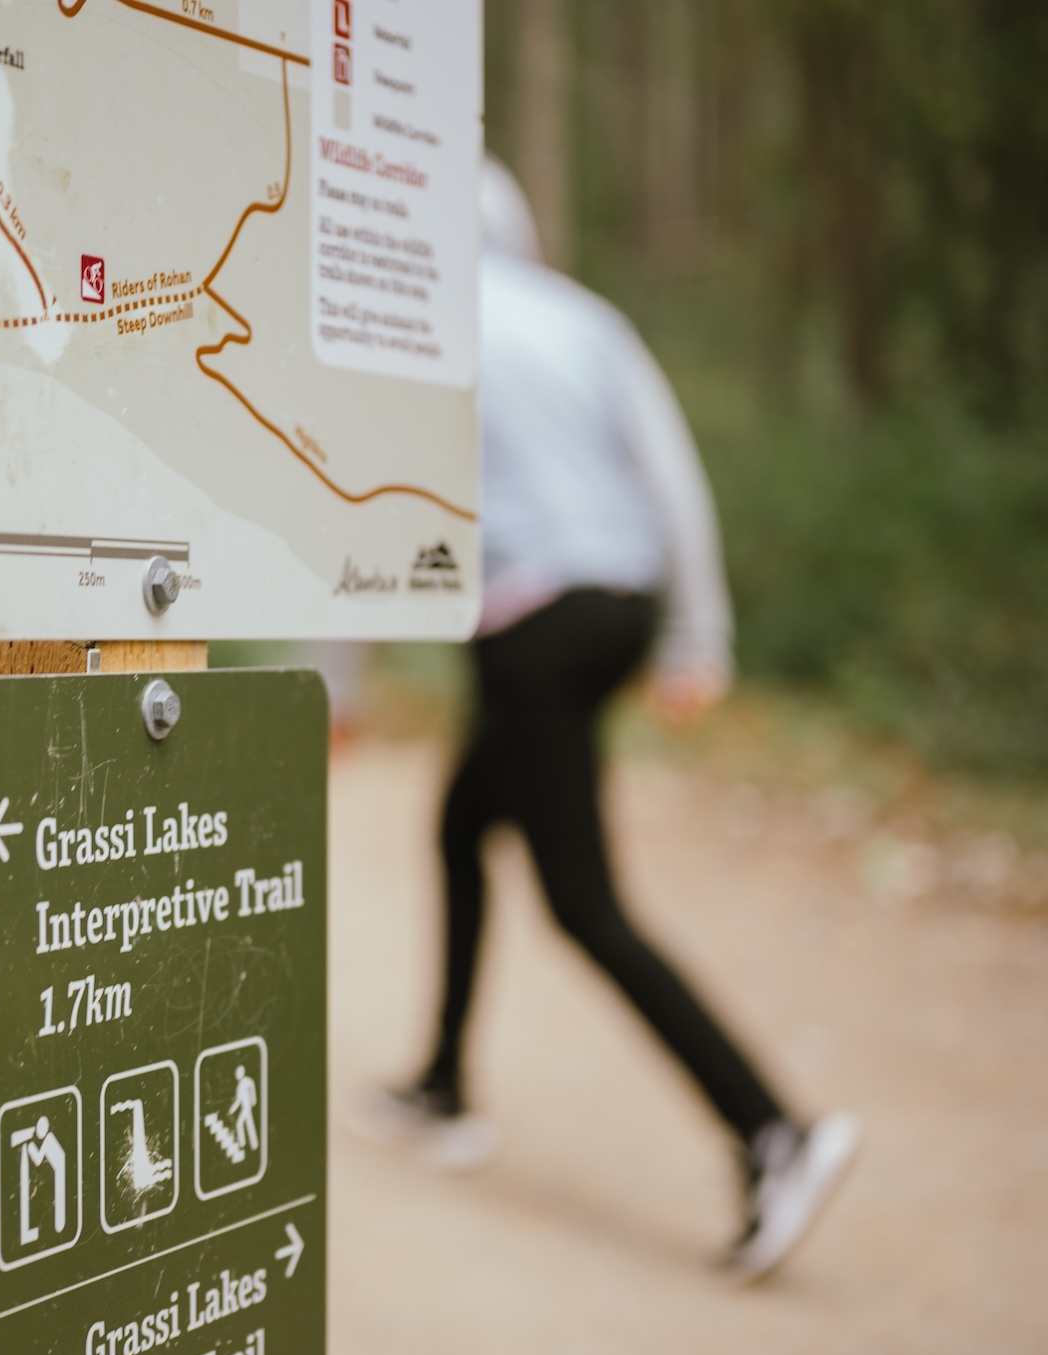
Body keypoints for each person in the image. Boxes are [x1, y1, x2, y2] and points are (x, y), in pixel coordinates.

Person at [356, 158, 858, 1284]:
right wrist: (697, 638)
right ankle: (440, 1082)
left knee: (582, 904)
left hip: (529, 627)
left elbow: (369, 510)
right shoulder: (587, 319)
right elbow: (671, 481)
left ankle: (770, 1132)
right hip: (615, 612)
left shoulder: (417, 323)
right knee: (459, 824)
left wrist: (332, 688)